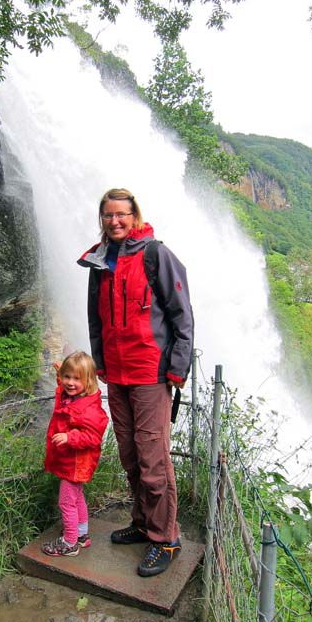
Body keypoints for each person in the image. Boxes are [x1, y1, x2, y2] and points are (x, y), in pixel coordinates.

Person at [77, 188, 194, 577]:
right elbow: (97, 319)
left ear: (135, 215)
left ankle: (166, 539)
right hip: (117, 373)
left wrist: (176, 370)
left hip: (149, 373)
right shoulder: (101, 262)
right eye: (109, 215)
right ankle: (143, 523)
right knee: (129, 454)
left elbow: (182, 316)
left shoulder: (155, 254)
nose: (115, 221)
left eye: (122, 214)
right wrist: (100, 364)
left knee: (153, 458)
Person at [42, 351, 109, 557]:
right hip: (70, 461)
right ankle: (81, 534)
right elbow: (63, 390)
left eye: (76, 378)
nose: (70, 383)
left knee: (66, 501)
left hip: (77, 462)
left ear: (89, 381)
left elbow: (93, 437)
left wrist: (69, 437)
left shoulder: (88, 409)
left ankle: (70, 542)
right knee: (77, 497)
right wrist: (60, 372)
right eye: (67, 377)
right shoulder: (72, 396)